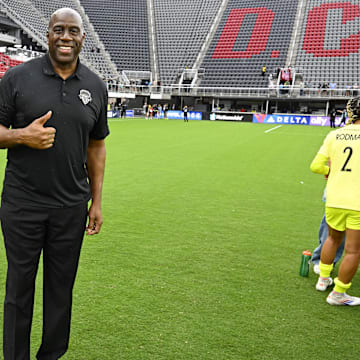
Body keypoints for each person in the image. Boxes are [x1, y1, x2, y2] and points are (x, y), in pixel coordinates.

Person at [0, 7, 109, 358]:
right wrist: (22, 136)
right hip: (22, 203)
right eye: (58, 29)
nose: (65, 36)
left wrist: (96, 201)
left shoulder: (95, 86)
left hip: (70, 206)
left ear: (82, 38)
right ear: (46, 34)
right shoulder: (16, 79)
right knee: (19, 288)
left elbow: (96, 145)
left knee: (61, 290)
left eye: (73, 31)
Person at [310, 96, 360, 306]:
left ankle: (323, 279)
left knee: (332, 239)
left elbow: (316, 166)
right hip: (357, 202)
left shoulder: (335, 135)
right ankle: (338, 293)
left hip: (334, 198)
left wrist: (331, 171)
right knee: (353, 250)